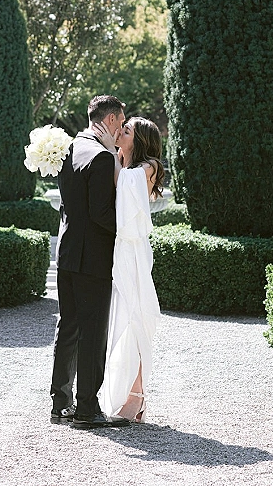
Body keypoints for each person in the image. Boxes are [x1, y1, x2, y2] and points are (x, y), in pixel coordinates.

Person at [50, 95, 131, 429]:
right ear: (110, 120)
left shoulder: (70, 148)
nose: (121, 130)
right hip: (93, 258)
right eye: (121, 122)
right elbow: (101, 214)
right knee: (94, 332)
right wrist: (129, 228)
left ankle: (60, 403)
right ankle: (87, 409)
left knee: (68, 327)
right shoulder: (99, 157)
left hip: (67, 254)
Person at [93, 116, 164, 423]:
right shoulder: (123, 163)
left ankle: (136, 397)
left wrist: (112, 153)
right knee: (122, 318)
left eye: (126, 130)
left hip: (134, 251)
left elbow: (125, 185)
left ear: (140, 139)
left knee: (135, 318)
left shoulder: (149, 167)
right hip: (119, 248)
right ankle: (130, 394)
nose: (119, 133)